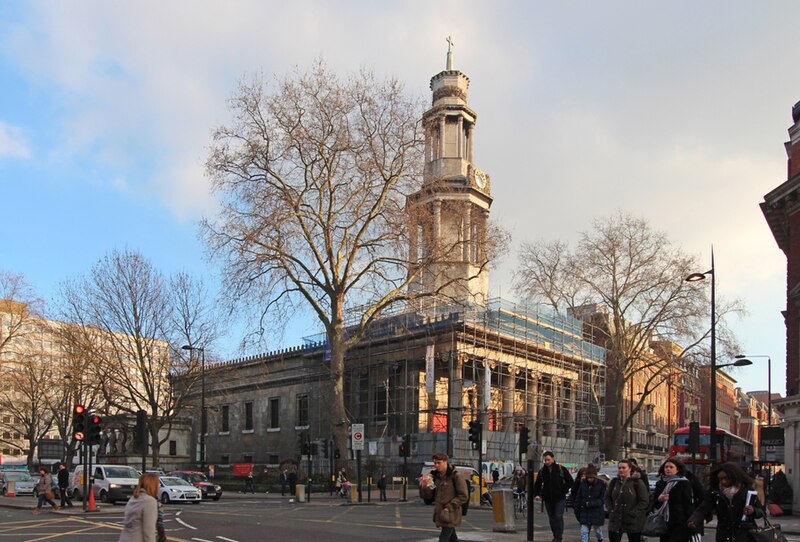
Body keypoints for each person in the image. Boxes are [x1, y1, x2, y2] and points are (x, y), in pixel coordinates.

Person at [688, 462, 761, 542]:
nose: (723, 482)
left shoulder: (746, 490)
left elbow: (760, 511)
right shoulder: (715, 492)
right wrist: (694, 520)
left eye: (726, 478)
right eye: (720, 479)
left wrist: (753, 510)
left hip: (744, 534)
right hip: (724, 534)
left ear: (734, 477)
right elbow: (704, 508)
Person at [420, 452, 469, 542]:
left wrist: (449, 507)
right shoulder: (436, 476)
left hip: (451, 513)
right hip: (441, 513)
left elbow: (463, 496)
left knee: (443, 539)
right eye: (435, 463)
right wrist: (425, 487)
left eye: (439, 463)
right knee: (452, 539)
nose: (436, 465)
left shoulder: (456, 476)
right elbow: (429, 496)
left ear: (445, 462)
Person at [652, 457, 696, 542]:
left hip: (679, 521)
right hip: (664, 521)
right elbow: (655, 504)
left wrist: (691, 520)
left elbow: (688, 504)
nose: (668, 469)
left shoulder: (683, 483)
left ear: (677, 469)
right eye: (666, 467)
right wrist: (659, 500)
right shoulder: (660, 484)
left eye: (671, 467)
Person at [533, 451, 574, 542]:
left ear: (553, 458)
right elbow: (537, 484)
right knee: (552, 518)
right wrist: (537, 494)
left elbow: (570, 481)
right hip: (548, 498)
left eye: (548, 459)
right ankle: (555, 535)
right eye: (545, 460)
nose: (547, 462)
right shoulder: (542, 471)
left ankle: (558, 537)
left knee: (558, 516)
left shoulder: (560, 469)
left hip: (560, 497)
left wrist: (564, 489)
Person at [605, 459, 649, 542]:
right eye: (619, 468)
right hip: (616, 520)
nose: (621, 470)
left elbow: (644, 501)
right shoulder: (614, 482)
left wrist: (634, 512)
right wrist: (610, 509)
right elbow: (607, 497)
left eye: (623, 468)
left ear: (629, 469)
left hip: (633, 521)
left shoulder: (637, 482)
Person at [119, 472, 159, 542]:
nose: (159, 486)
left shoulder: (133, 498)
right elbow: (149, 531)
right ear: (152, 485)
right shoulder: (150, 501)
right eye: (158, 483)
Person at [574, 465, 606, 542]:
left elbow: (603, 499)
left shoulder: (601, 484)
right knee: (584, 531)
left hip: (596, 512)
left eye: (591, 478)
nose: (589, 479)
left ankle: (600, 538)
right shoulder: (583, 484)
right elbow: (579, 497)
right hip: (585, 511)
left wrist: (592, 503)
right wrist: (577, 509)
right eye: (588, 478)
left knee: (597, 530)